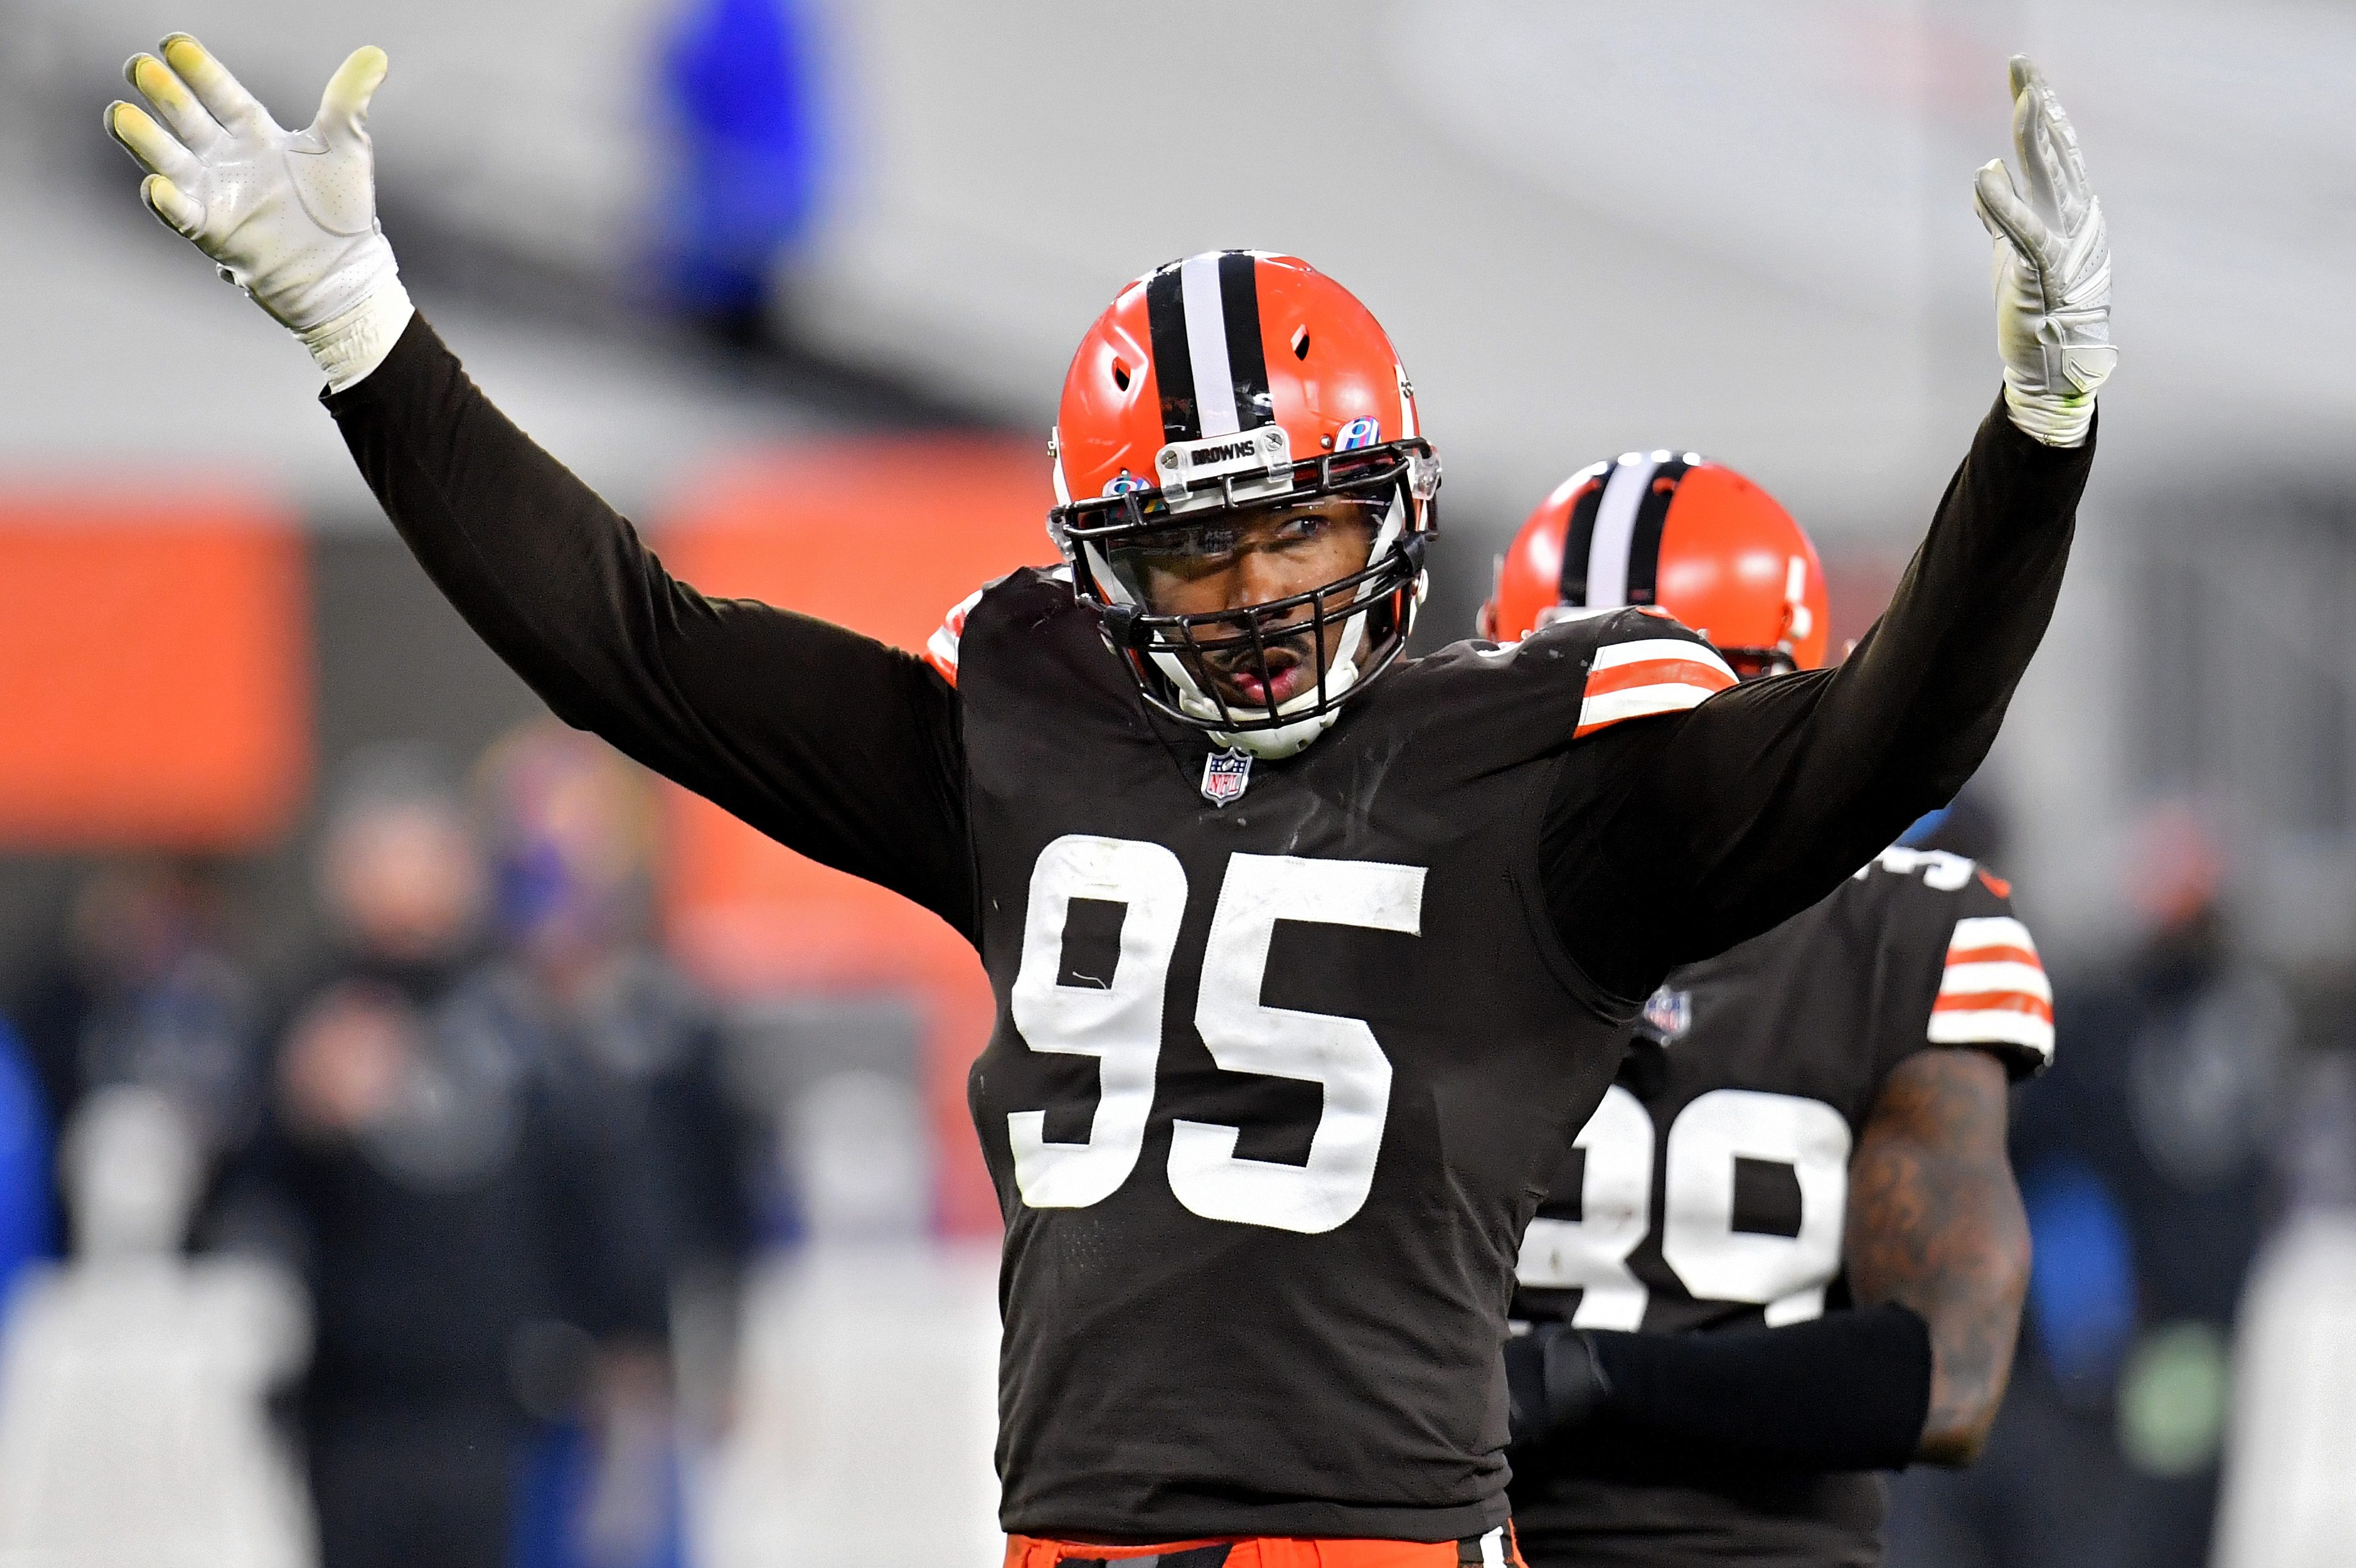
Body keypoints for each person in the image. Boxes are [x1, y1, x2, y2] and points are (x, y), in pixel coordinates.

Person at [102, 38, 2110, 1561]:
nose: (1252, 595)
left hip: (1379, 1539)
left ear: (1394, 517)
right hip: (1071, 1534)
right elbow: (635, 645)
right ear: (1096, 566)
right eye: (1190, 550)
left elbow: (1894, 734)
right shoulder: (1029, 737)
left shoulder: (1534, 783)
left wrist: (2034, 431)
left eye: (1296, 530)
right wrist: (364, 332)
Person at [1480, 455, 2048, 1567]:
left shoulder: (1899, 936)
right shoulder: (1429, 907)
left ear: (1794, 708)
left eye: (1676, 717)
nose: (1623, 767)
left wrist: (1582, 1374)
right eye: (1579, 716)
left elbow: (1949, 1379)